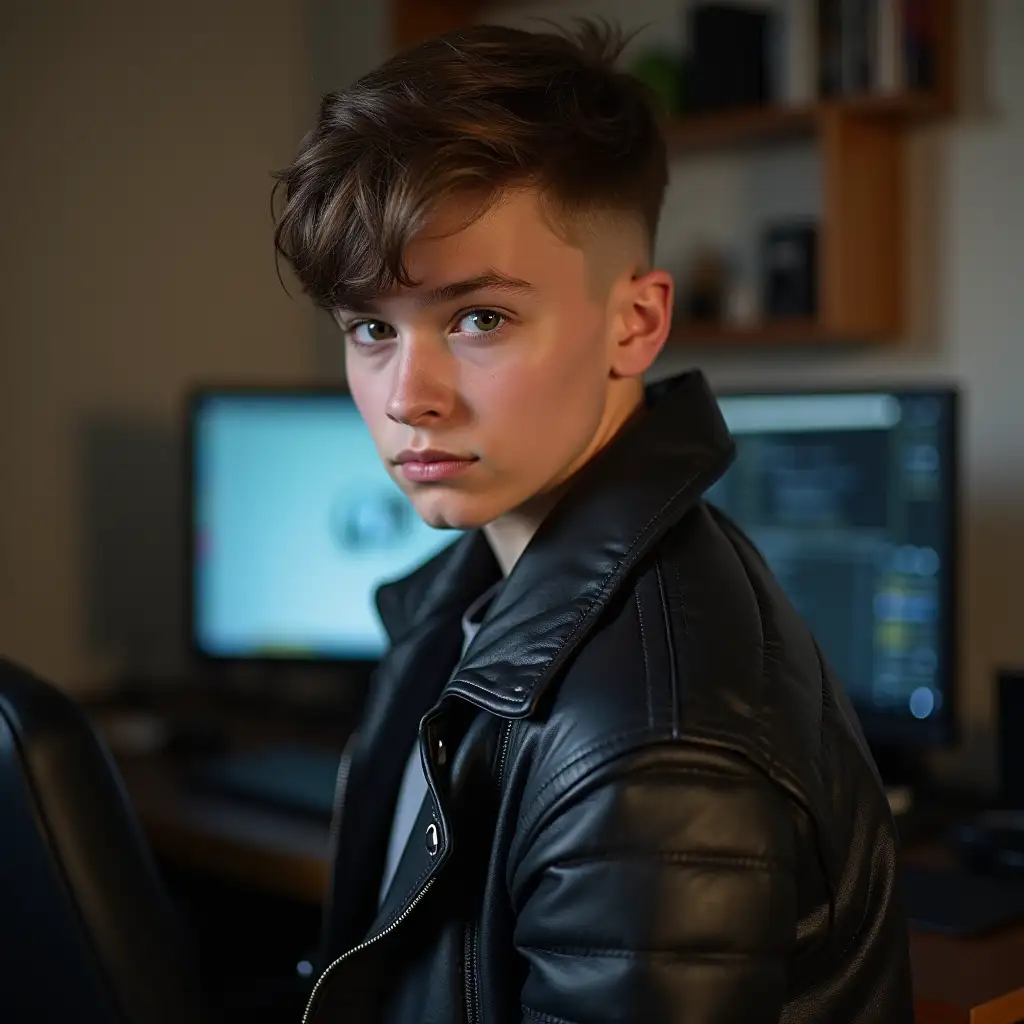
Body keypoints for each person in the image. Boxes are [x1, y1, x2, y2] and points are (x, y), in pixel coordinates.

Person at [272, 20, 914, 1024]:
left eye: (478, 316)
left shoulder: (652, 750)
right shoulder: (475, 589)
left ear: (636, 324)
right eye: (371, 328)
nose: (407, 396)